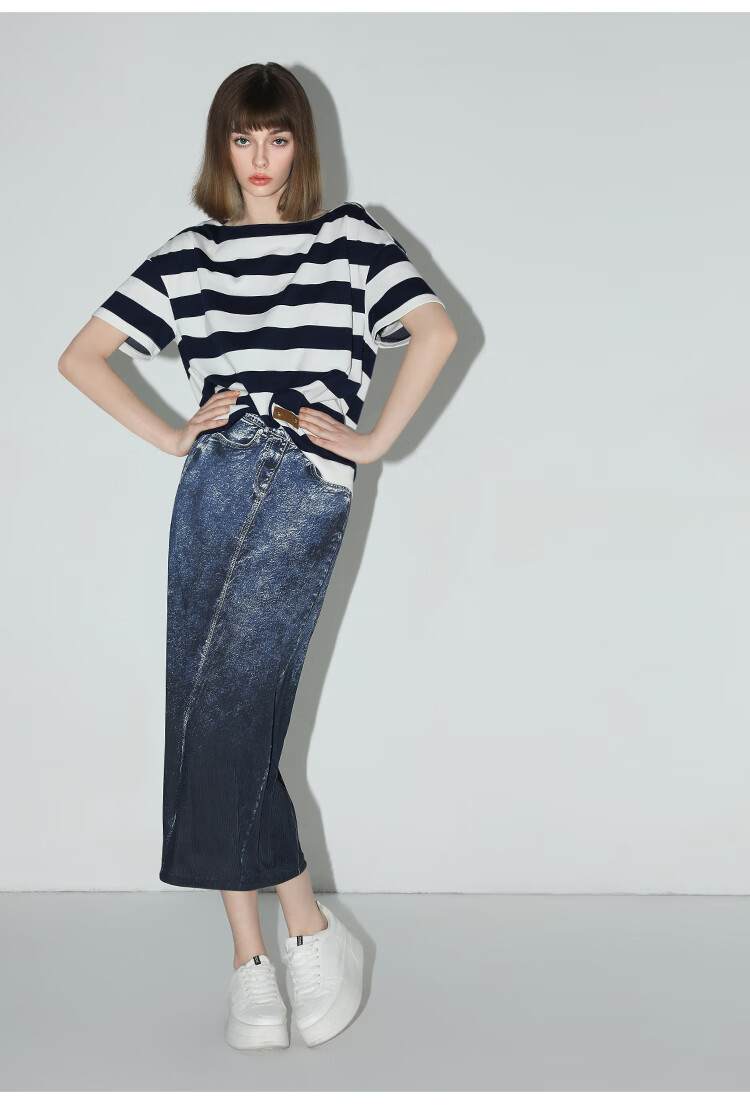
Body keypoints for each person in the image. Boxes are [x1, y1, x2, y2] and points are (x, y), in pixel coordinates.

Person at [58, 61, 458, 1050]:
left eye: (277, 138)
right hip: (212, 482)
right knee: (203, 716)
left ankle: (310, 927)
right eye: (243, 138)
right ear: (221, 147)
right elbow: (81, 355)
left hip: (302, 482)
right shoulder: (189, 253)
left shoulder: (351, 236)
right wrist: (170, 435)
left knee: (233, 715)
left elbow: (435, 330)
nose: (261, 158)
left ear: (301, 145)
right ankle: (252, 959)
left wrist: (374, 440)